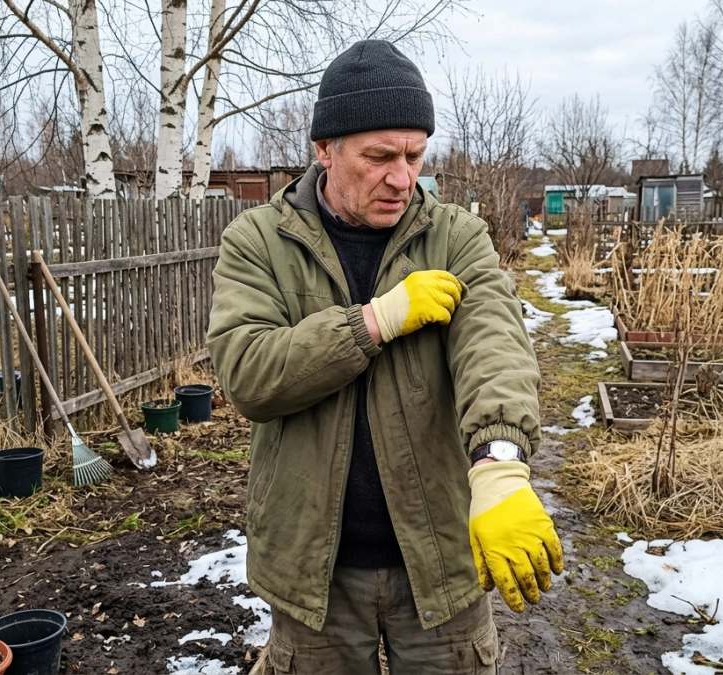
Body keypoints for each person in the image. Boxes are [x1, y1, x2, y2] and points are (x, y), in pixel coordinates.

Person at [206, 39, 563, 675]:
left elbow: (495, 343)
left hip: (441, 559)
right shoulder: (259, 240)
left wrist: (500, 463)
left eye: (415, 155)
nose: (402, 178)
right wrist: (374, 322)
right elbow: (249, 374)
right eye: (379, 157)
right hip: (314, 570)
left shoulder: (453, 236)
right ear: (324, 150)